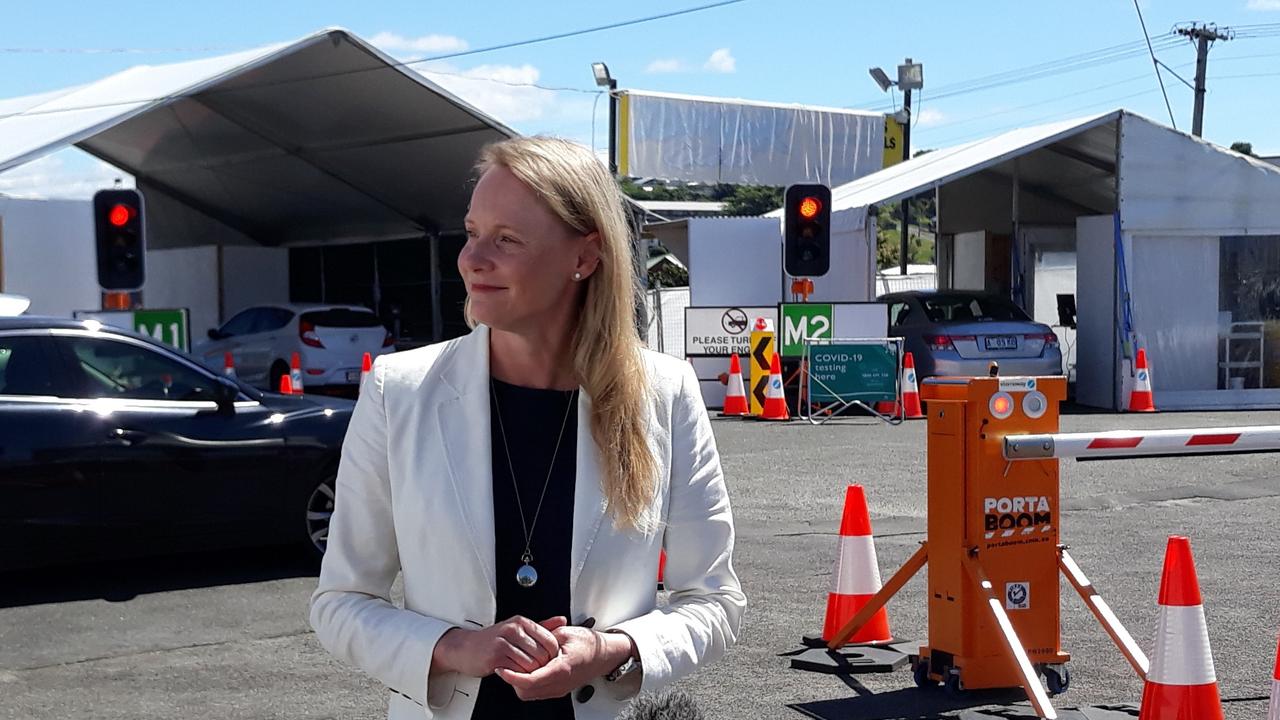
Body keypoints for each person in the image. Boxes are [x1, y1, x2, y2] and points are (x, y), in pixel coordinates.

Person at [309, 136, 745, 720]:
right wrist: (455, 648)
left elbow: (713, 602)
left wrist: (610, 650)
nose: (472, 259)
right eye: (471, 233)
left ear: (585, 257)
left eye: (507, 240)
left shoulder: (663, 393)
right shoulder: (399, 391)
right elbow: (341, 602)